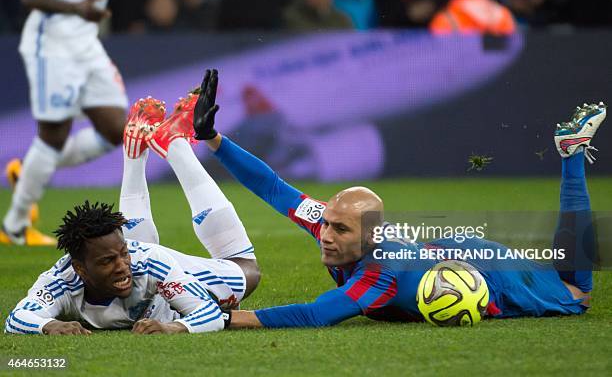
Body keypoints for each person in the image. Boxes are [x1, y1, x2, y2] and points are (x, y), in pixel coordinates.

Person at [192, 71, 606, 328]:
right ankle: (570, 155)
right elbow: (273, 187)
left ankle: (570, 158)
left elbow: (317, 314)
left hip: (485, 270)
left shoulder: (380, 271)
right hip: (441, 253)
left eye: (340, 229)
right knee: (568, 278)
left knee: (577, 292)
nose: (325, 235)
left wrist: (219, 319)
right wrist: (213, 140)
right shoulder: (330, 221)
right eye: (328, 224)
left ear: (370, 237)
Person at [5, 76, 260, 334]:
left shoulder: (149, 262)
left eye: (123, 254)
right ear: (80, 269)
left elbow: (209, 313)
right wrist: (49, 325)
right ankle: (139, 150)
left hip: (167, 269)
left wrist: (175, 327)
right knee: (136, 255)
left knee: (247, 270)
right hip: (147, 267)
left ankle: (175, 146)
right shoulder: (61, 280)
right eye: (107, 261)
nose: (122, 266)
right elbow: (16, 318)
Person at [0, 0, 158, 246]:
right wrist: (77, 9)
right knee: (53, 136)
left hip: (86, 45)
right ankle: (15, 224)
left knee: (114, 130)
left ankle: (28, 171)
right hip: (51, 47)